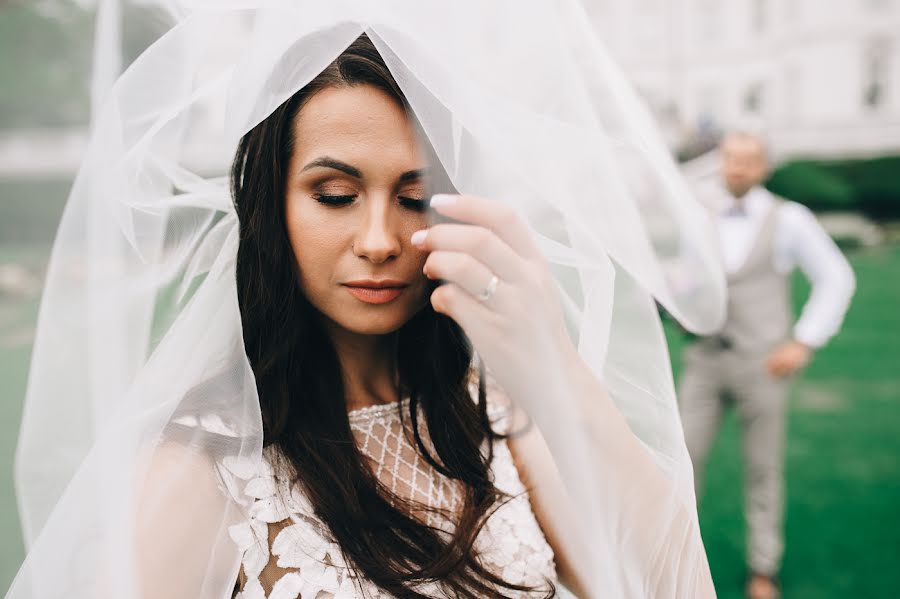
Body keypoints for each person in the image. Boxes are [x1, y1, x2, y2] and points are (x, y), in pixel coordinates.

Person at [8, 3, 728, 598]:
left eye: (414, 197)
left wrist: (560, 372)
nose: (380, 238)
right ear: (272, 208)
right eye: (336, 195)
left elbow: (677, 586)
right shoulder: (204, 465)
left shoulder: (498, 418)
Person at [678, 131, 856, 599]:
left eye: (748, 161)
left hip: (763, 364)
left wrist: (804, 340)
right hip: (703, 360)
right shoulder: (698, 215)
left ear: (763, 168)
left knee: (762, 468)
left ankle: (764, 568)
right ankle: (678, 563)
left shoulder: (790, 219)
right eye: (730, 159)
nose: (736, 168)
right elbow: (686, 280)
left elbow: (836, 276)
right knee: (681, 462)